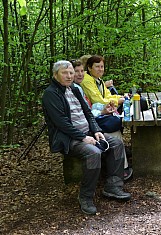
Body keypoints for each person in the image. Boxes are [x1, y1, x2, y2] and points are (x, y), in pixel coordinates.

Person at [42, 60, 131, 215]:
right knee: (93, 153)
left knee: (116, 143)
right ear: (56, 75)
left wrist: (96, 130)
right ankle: (86, 197)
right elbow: (61, 123)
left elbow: (88, 113)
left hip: (87, 134)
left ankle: (113, 186)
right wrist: (83, 137)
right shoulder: (51, 94)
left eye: (71, 72)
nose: (69, 76)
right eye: (65, 73)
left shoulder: (75, 89)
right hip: (69, 139)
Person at [71, 59, 133, 181]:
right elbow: (88, 110)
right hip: (85, 129)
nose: (80, 74)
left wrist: (104, 109)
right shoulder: (79, 86)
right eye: (75, 72)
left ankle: (120, 164)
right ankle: (120, 170)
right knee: (114, 129)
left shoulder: (79, 87)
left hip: (93, 120)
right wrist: (103, 110)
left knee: (116, 124)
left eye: (81, 71)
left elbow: (91, 107)